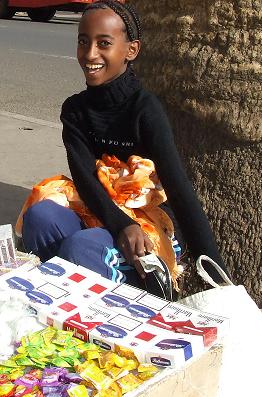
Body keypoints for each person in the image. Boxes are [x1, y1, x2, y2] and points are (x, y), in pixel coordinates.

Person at [22, 0, 228, 293]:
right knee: (39, 217)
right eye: (83, 42)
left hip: (148, 227)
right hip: (103, 213)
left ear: (131, 50)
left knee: (80, 248)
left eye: (104, 43)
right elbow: (86, 180)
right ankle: (69, 293)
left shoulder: (146, 110)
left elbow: (180, 191)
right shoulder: (75, 110)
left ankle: (147, 287)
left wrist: (217, 278)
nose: (90, 54)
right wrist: (120, 225)